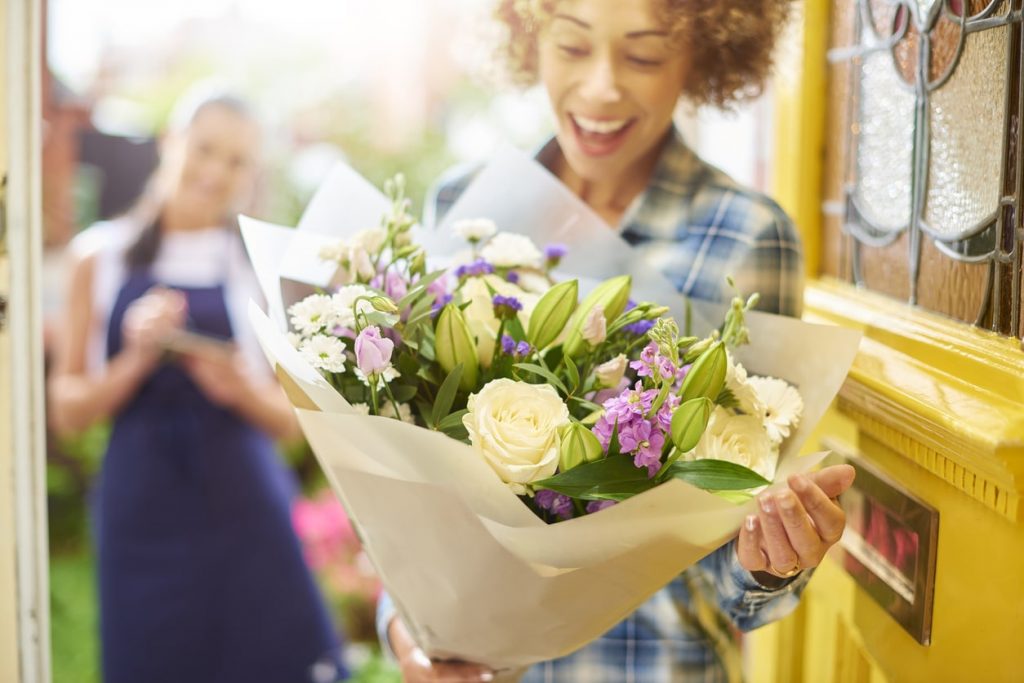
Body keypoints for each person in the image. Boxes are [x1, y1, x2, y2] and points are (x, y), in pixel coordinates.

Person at [379, 1, 855, 681]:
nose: (602, 86)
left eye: (644, 56)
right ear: (527, 39)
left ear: (705, 57)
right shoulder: (464, 206)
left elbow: (734, 571)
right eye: (572, 48)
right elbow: (400, 481)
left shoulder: (744, 236)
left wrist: (772, 553)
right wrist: (405, 628)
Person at [48, 89, 347, 683]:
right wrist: (134, 361)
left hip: (245, 512)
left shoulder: (255, 264)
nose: (215, 172)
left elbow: (292, 421)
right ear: (171, 143)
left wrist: (238, 387)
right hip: (143, 515)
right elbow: (68, 412)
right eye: (205, 149)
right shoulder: (98, 257)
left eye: (236, 161)